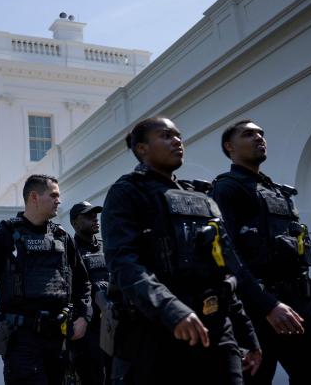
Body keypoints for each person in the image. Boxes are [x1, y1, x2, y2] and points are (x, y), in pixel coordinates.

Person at [101, 117, 262, 385]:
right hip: (158, 332)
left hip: (217, 331)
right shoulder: (127, 192)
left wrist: (249, 337)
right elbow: (124, 264)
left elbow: (224, 270)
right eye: (165, 136)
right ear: (142, 149)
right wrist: (172, 310)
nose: (177, 141)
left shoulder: (202, 198)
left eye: (178, 136)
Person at [212, 119, 311, 384]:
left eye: (261, 134)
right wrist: (268, 306)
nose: (259, 138)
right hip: (257, 308)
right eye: (249, 134)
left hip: (299, 305)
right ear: (230, 146)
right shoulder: (227, 188)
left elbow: (300, 258)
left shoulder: (278, 193)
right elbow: (229, 256)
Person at [0, 174, 92, 385]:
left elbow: (83, 282)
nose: (59, 200)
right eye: (54, 195)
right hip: (22, 341)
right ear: (34, 197)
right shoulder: (3, 235)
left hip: (58, 338)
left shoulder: (62, 237)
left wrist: (84, 316)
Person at [68, 201, 112, 385]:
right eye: (88, 215)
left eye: (95, 214)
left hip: (112, 324)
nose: (95, 218)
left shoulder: (106, 246)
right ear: (75, 222)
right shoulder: (69, 250)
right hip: (87, 328)